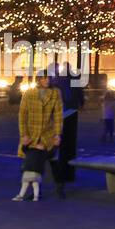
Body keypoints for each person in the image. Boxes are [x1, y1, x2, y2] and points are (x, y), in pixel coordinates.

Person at [15, 73, 62, 201]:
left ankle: (59, 187)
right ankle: (36, 191)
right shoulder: (29, 93)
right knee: (31, 163)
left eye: (49, 78)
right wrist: (23, 134)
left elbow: (58, 115)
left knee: (53, 161)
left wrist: (57, 134)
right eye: (44, 78)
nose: (47, 80)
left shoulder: (55, 93)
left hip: (47, 133)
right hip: (31, 134)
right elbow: (22, 115)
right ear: (39, 79)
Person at [48, 64, 83, 197]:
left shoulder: (56, 81)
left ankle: (59, 180)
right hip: (70, 114)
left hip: (59, 115)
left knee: (53, 150)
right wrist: (80, 104)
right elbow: (78, 94)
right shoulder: (73, 80)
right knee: (67, 148)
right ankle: (66, 176)